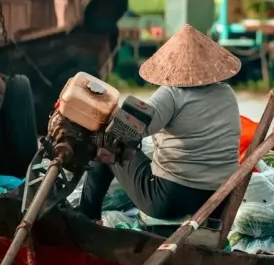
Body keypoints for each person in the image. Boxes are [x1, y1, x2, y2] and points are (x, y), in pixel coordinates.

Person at [78, 23, 243, 222]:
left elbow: (130, 131)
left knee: (105, 142)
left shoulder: (172, 95)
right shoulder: (227, 93)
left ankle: (87, 217)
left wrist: (103, 123)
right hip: (220, 200)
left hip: (170, 199)